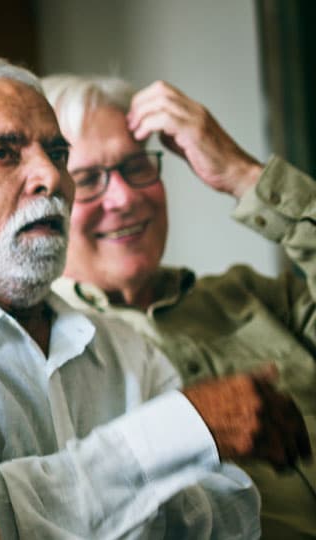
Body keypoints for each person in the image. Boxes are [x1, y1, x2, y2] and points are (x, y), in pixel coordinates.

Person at [0, 58, 312, 539]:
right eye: (5, 154)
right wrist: (175, 434)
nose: (51, 177)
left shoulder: (123, 349)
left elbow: (230, 515)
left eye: (56, 153)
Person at [43, 75, 316, 538]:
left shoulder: (252, 296)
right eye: (87, 180)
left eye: (136, 167)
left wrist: (243, 174)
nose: (125, 198)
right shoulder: (48, 354)